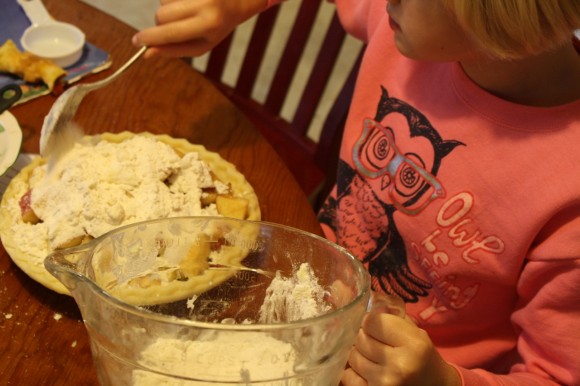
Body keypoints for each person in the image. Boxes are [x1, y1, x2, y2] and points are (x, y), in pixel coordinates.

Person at [132, 0, 580, 384]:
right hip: (300, 295)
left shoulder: (568, 193)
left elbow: (555, 373)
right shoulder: (409, 22)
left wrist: (442, 380)